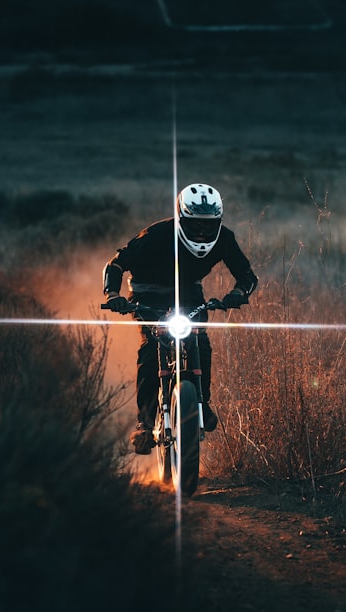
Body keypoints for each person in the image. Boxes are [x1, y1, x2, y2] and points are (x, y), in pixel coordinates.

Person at [103, 183, 258, 455]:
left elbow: (247, 277)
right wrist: (114, 294)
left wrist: (237, 293)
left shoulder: (224, 239)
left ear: (218, 222)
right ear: (181, 218)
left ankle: (202, 401)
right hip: (146, 292)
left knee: (200, 339)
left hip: (188, 292)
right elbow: (116, 263)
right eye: (195, 224)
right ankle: (144, 422)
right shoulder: (155, 234)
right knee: (151, 347)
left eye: (208, 225)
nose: (201, 231)